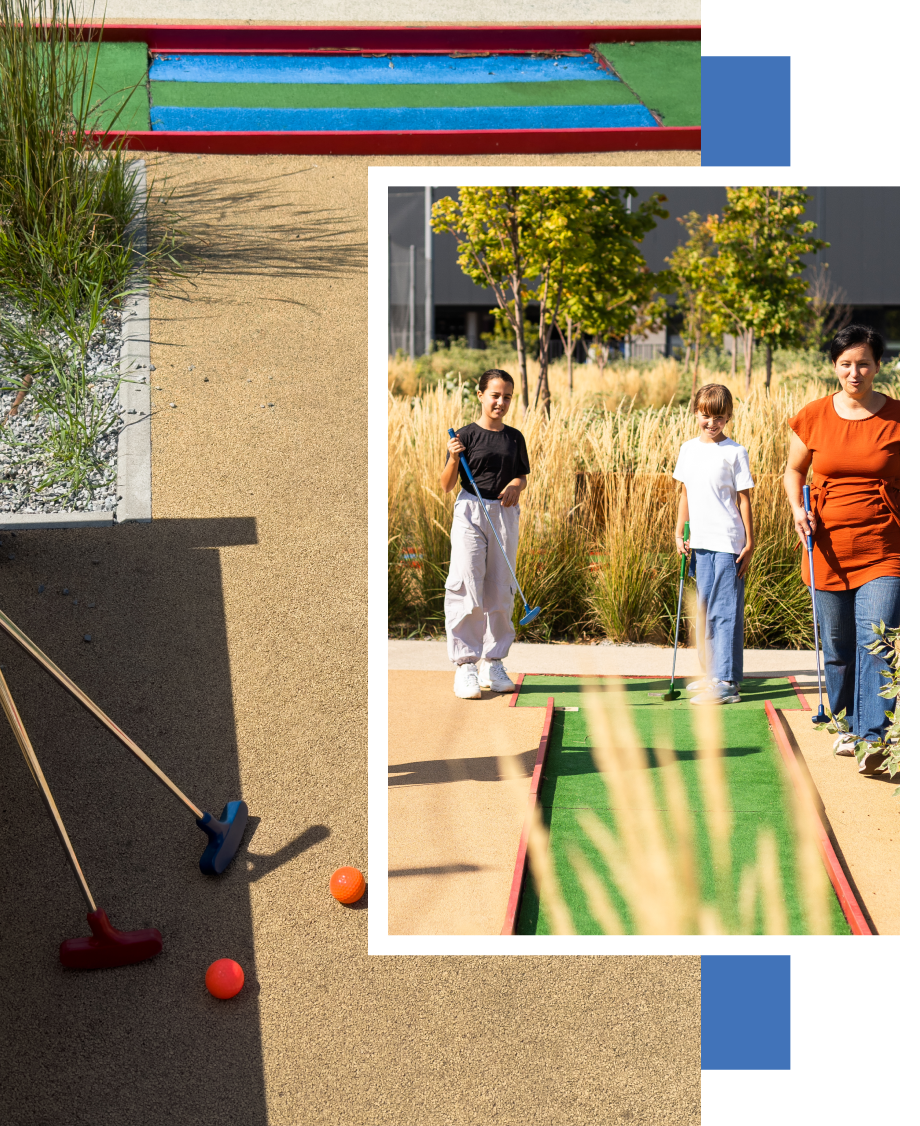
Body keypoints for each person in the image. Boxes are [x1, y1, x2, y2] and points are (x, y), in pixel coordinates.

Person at [784, 324, 899, 775]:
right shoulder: (813, 415)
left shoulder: (899, 416)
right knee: (837, 644)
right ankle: (847, 725)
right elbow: (793, 470)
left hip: (886, 548)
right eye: (846, 364)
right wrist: (797, 509)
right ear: (835, 366)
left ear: (877, 366)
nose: (855, 372)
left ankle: (875, 739)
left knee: (877, 640)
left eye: (864, 363)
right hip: (826, 548)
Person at [440, 370, 530, 700]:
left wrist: (515, 486)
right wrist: (453, 457)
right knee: (466, 582)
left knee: (500, 585)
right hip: (470, 509)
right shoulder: (464, 436)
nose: (501, 402)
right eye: (495, 395)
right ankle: (466, 666)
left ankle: (494, 662)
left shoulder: (515, 437)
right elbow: (447, 484)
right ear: (480, 395)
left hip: (504, 512)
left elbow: (521, 476)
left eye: (507, 396)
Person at [673, 384, 755, 705]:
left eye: (719, 417)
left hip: (728, 541)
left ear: (728, 417)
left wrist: (749, 542)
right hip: (700, 542)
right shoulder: (688, 449)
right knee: (706, 610)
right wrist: (679, 533)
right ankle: (712, 675)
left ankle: (726, 681)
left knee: (725, 611)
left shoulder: (735, 452)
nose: (711, 423)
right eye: (706, 416)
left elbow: (743, 499)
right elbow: (685, 494)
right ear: (696, 413)